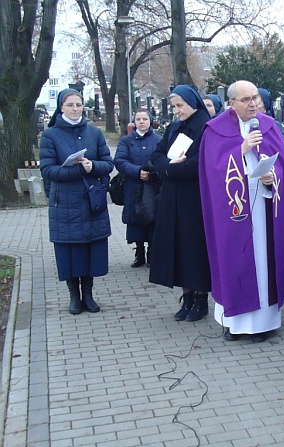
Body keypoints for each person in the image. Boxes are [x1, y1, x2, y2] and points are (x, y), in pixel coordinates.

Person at [198, 80, 284, 342]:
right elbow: (212, 171)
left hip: (264, 211)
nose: (253, 104)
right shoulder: (215, 130)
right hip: (232, 212)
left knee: (263, 262)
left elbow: (282, 166)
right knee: (233, 261)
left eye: (255, 98)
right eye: (245, 100)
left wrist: (273, 178)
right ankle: (234, 324)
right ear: (231, 104)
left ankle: (263, 324)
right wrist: (241, 150)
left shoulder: (269, 126)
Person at [40, 88, 114, 315]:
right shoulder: (50, 135)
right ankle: (74, 296)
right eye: (70, 105)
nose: (75, 109)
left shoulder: (94, 133)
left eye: (78, 105)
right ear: (61, 107)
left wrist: (92, 166)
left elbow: (108, 164)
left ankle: (89, 295)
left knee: (91, 247)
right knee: (70, 251)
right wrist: (76, 169)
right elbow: (47, 169)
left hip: (91, 199)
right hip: (65, 202)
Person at [149, 85, 211, 323]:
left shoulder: (206, 128)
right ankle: (186, 297)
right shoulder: (174, 128)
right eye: (174, 106)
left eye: (180, 105)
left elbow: (202, 163)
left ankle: (200, 299)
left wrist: (172, 169)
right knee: (177, 247)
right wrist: (168, 165)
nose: (176, 111)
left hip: (195, 198)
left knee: (194, 248)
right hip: (171, 196)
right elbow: (156, 155)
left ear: (192, 103)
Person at [114, 109, 162, 269]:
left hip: (153, 187)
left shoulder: (159, 140)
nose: (141, 122)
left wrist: (152, 173)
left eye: (145, 119)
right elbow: (120, 160)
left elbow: (163, 158)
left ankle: (153, 253)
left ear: (150, 121)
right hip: (133, 187)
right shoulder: (126, 141)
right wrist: (137, 172)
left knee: (153, 220)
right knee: (135, 221)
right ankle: (139, 252)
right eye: (138, 119)